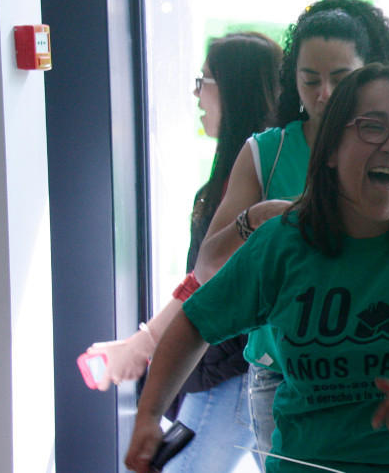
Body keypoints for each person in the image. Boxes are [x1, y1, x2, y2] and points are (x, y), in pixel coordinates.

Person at [125, 61, 389, 473]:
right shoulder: (283, 242)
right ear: (330, 150)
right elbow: (196, 322)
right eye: (374, 127)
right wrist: (148, 416)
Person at [116, 0, 389, 467]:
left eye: (340, 78)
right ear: (290, 79)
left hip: (377, 365)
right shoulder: (267, 151)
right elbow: (208, 267)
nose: (322, 94)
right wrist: (257, 217)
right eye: (309, 78)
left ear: (369, 75)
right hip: (281, 369)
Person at [84, 31, 281, 472]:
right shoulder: (245, 172)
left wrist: (145, 342)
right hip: (229, 367)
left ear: (233, 87)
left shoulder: (246, 180)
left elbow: (206, 282)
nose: (197, 93)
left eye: (204, 79)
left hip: (229, 369)